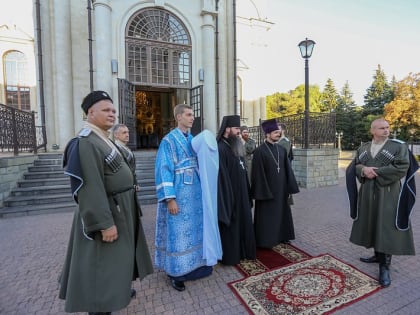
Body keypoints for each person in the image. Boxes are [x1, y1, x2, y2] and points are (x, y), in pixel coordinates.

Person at [59, 90, 153, 314]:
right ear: (90, 113)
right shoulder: (86, 142)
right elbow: (90, 187)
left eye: (113, 110)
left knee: (114, 266)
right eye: (106, 110)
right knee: (101, 271)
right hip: (107, 213)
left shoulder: (102, 139)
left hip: (119, 209)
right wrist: (103, 223)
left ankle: (112, 298)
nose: (112, 114)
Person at [346, 118, 418, 288]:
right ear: (373, 130)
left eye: (387, 127)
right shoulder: (363, 148)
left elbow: (402, 166)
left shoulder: (397, 146)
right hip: (367, 193)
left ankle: (385, 266)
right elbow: (355, 165)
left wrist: (376, 173)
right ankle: (377, 255)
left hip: (388, 192)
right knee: (372, 223)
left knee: (386, 226)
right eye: (381, 128)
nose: (386, 130)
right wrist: (363, 170)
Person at [154, 104, 214, 292]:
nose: (192, 118)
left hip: (195, 194)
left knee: (196, 230)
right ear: (178, 117)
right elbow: (163, 169)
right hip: (178, 194)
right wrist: (170, 199)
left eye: (193, 115)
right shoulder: (168, 141)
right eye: (188, 115)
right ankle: (176, 273)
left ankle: (196, 266)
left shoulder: (194, 140)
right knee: (177, 233)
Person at [251, 118, 300, 248]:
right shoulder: (259, 151)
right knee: (268, 217)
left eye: (279, 132)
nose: (278, 134)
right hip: (267, 191)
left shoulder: (281, 150)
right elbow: (257, 174)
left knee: (282, 214)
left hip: (281, 189)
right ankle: (266, 241)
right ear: (267, 134)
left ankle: (282, 236)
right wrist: (264, 192)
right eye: (275, 132)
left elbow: (287, 170)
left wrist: (289, 187)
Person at [216, 115, 256, 265]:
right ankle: (232, 256)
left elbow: (242, 168)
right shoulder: (220, 148)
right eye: (236, 129)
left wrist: (247, 191)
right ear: (227, 129)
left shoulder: (235, 145)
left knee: (244, 222)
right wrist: (229, 197)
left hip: (242, 194)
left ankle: (244, 251)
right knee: (232, 226)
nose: (239, 132)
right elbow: (222, 177)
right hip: (230, 196)